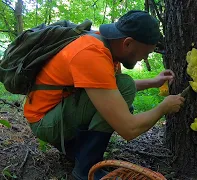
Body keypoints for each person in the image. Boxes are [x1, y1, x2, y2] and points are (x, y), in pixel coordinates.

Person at [24, 10, 185, 180]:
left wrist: (153, 81)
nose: (144, 58)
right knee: (124, 90)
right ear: (128, 43)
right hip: (45, 121)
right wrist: (163, 108)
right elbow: (128, 129)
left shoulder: (108, 46)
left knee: (123, 89)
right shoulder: (92, 54)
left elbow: (105, 88)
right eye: (145, 53)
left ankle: (77, 151)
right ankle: (86, 169)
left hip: (57, 112)